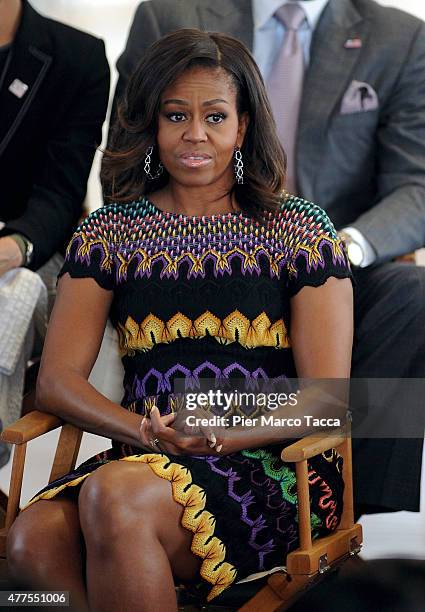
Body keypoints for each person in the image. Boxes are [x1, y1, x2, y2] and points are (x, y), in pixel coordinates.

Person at [6, 30, 353, 611]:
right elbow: (57, 381)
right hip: (145, 450)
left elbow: (326, 399)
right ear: (153, 126)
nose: (195, 133)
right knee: (30, 541)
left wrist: (219, 435)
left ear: (243, 127)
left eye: (215, 116)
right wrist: (141, 430)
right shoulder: (110, 232)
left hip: (274, 466)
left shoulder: (300, 230)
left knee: (117, 501)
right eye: (176, 115)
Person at [112, 0, 425, 518]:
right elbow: (123, 165)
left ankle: (340, 514)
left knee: (413, 297)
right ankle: (210, 471)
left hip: (335, 260)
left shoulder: (401, 37)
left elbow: (416, 184)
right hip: (198, 250)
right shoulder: (169, 14)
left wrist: (338, 248)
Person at [0, 0, 110, 454]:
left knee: (16, 288)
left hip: (29, 247)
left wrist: (15, 245)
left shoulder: (76, 59)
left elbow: (59, 193)